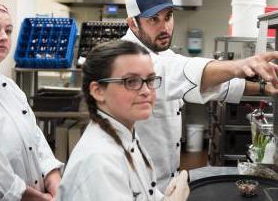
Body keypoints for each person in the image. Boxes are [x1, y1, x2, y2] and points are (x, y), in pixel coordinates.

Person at [122, 0, 278, 191]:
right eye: (154, 19)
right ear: (132, 23)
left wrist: (263, 89)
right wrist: (239, 66)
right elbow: (179, 70)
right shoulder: (128, 56)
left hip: (165, 180)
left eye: (168, 16)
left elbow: (218, 86)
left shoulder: (161, 53)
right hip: (138, 185)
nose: (165, 27)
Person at [57, 40, 189, 201]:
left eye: (150, 80)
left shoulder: (127, 133)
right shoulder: (100, 161)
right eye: (131, 81)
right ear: (98, 91)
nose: (146, 91)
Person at [0, 0, 63, 200]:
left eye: (8, 30)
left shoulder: (11, 88)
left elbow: (38, 143)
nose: (3, 37)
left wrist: (55, 185)